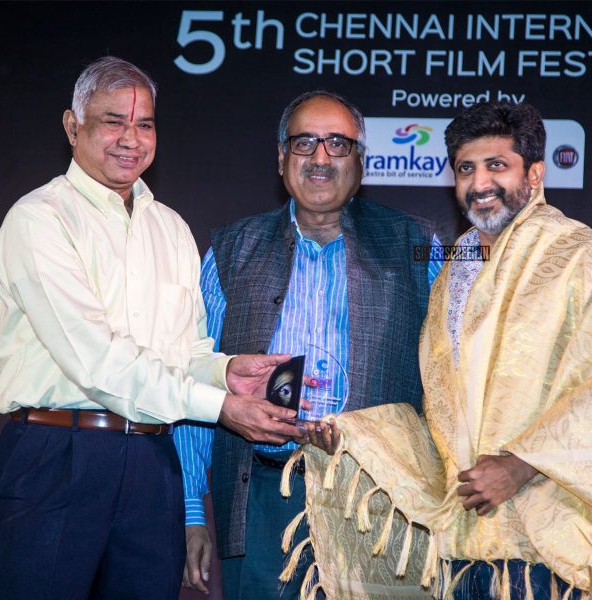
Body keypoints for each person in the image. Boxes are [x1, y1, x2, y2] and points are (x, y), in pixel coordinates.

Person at [303, 102, 592, 599]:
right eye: (465, 169)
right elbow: (442, 409)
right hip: (464, 532)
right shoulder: (452, 271)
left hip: (550, 526)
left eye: (496, 165)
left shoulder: (586, 258)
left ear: (536, 173)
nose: (479, 183)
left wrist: (520, 465)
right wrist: (353, 436)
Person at [0, 56, 302, 600]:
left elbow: (184, 351)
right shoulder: (40, 219)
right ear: (72, 125)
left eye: (145, 124)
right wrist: (219, 406)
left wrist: (228, 373)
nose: (132, 138)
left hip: (154, 462)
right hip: (58, 456)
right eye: (113, 121)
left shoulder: (171, 227)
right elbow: (98, 360)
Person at [174, 90, 442, 598]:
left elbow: (448, 380)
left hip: (380, 501)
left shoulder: (417, 245)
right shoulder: (229, 251)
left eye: (338, 144)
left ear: (361, 161)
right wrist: (192, 511)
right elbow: (197, 374)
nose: (320, 158)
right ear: (281, 158)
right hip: (262, 497)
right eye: (305, 143)